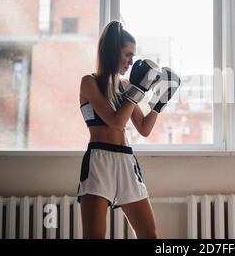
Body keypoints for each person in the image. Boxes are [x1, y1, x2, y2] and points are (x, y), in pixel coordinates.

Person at [77, 20, 181, 239]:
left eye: (133, 55)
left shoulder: (125, 86)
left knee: (148, 234)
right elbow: (116, 121)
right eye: (127, 54)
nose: (131, 61)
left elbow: (144, 129)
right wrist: (139, 89)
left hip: (125, 161)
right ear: (111, 52)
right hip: (99, 161)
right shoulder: (89, 83)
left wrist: (159, 103)